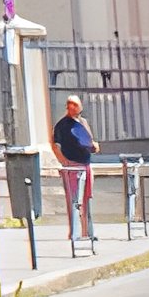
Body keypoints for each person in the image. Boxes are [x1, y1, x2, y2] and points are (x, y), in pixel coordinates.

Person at [52, 94, 99, 250]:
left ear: (80, 107)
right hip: (72, 166)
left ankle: (87, 231)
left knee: (87, 199)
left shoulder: (83, 122)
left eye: (75, 105)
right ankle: (74, 232)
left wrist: (94, 146)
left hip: (86, 164)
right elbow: (55, 146)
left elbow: (89, 141)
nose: (72, 107)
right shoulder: (62, 125)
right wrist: (64, 162)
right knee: (73, 200)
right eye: (69, 104)